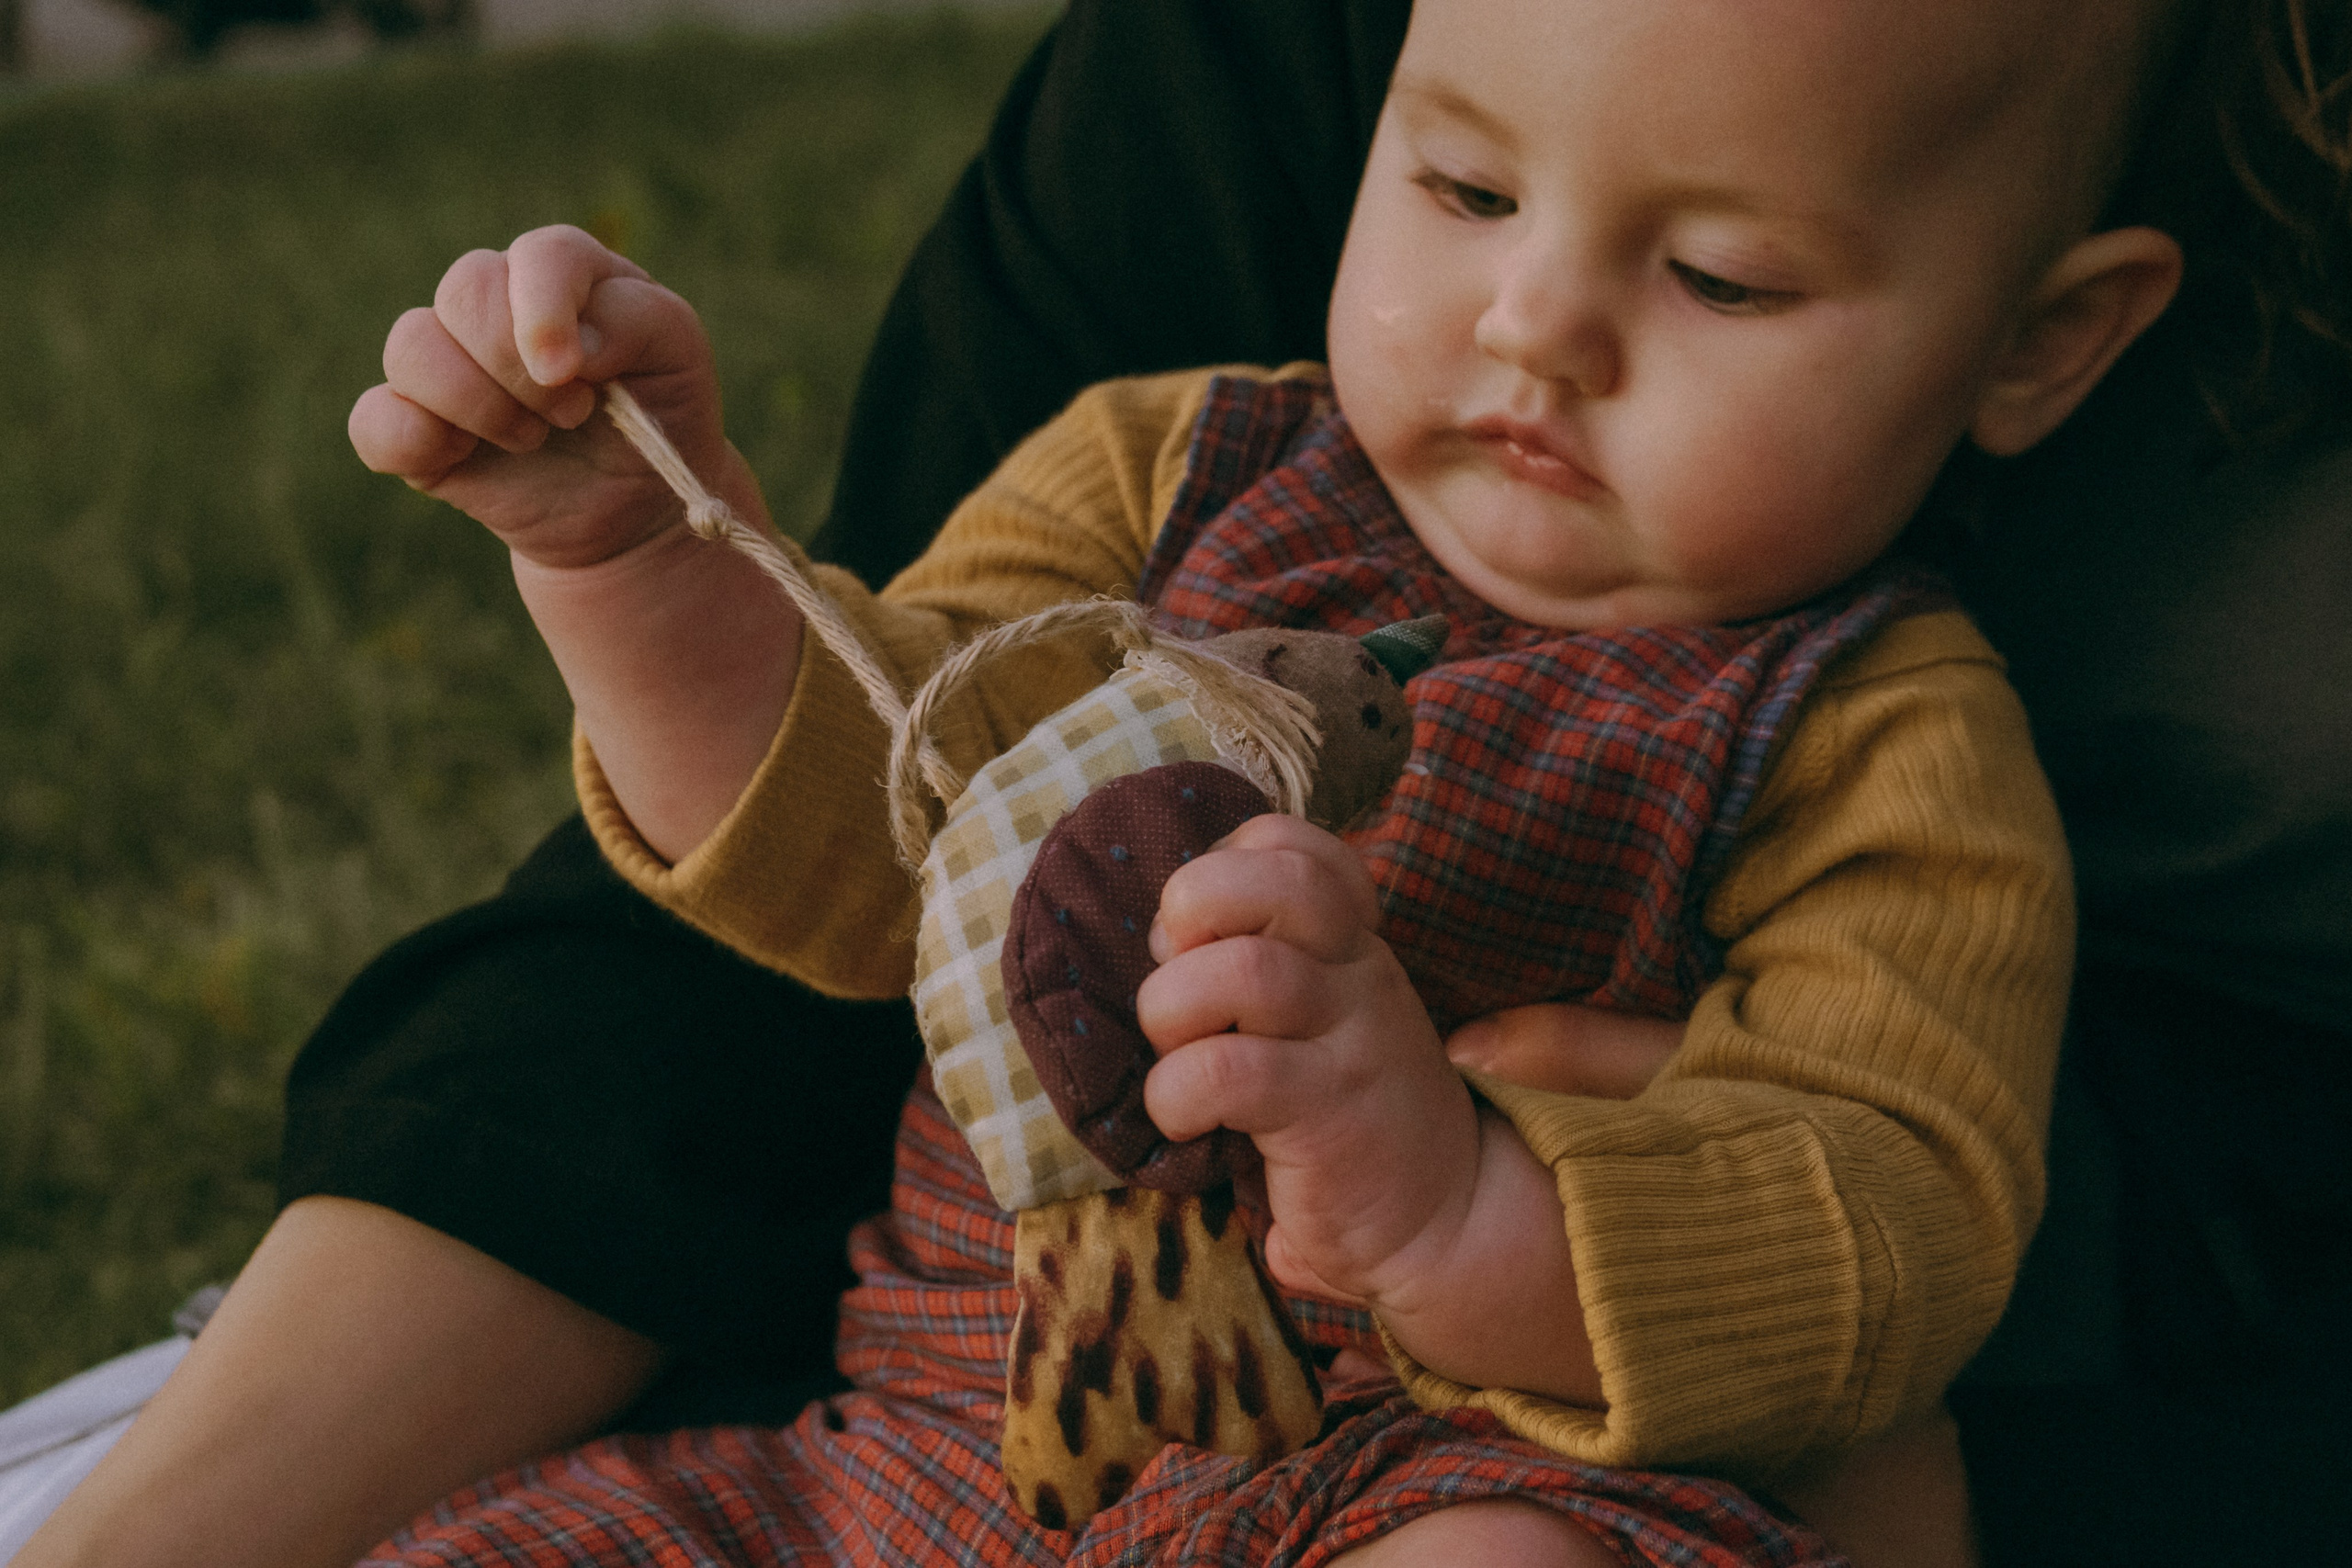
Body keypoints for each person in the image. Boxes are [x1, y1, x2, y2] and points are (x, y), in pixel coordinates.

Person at [17, 0, 2350, 1564]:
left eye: (1724, 279)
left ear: (2036, 341)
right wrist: (632, 562)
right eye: (1461, 191)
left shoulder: (1880, 734)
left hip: (1449, 1470)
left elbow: (1889, 1217)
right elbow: (865, 827)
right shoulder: (1161, 480)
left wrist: (1452, 1201)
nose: (1535, 321)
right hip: (931, 1448)